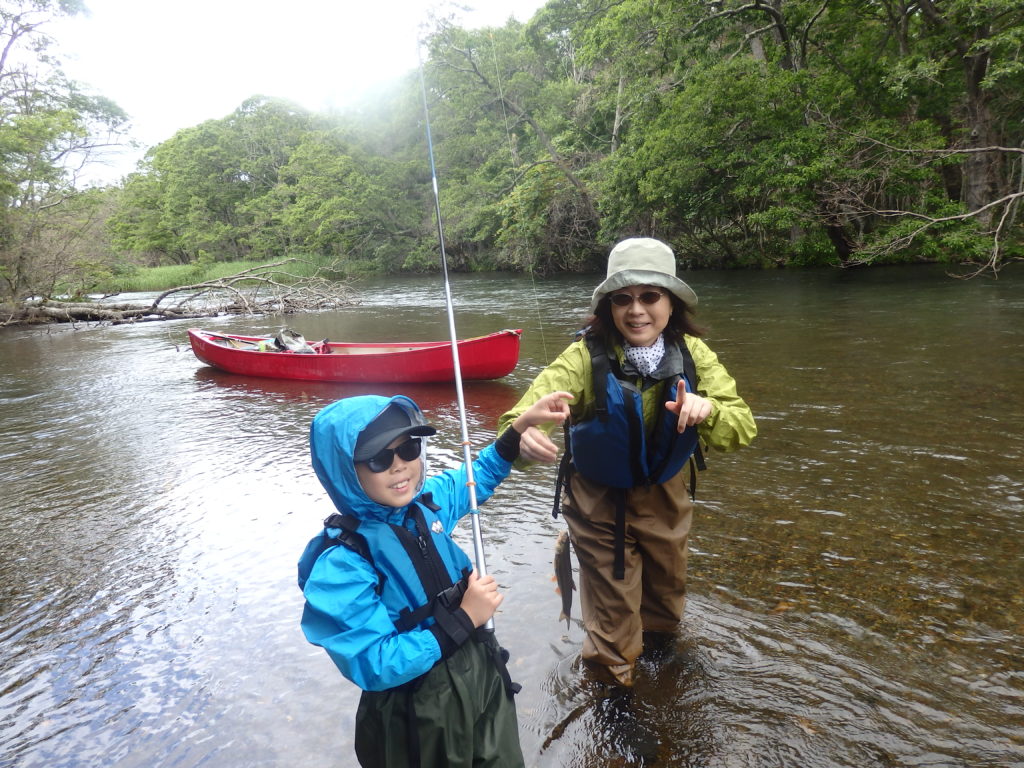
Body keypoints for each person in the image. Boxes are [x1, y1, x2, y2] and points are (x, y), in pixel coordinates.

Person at [497, 237, 757, 691]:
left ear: (672, 304)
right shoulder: (582, 358)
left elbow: (743, 427)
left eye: (649, 297)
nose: (636, 310)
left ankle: (663, 676)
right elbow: (517, 418)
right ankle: (614, 699)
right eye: (623, 299)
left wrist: (708, 411)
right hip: (599, 503)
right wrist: (524, 435)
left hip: (666, 494)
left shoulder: (696, 356)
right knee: (615, 616)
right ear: (608, 308)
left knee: (666, 601)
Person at [298, 391, 570, 768]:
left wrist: (518, 429)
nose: (400, 466)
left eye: (408, 449)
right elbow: (372, 663)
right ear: (346, 470)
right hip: (417, 709)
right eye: (378, 458)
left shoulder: (428, 502)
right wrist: (462, 620)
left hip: (481, 675)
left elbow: (479, 476)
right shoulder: (343, 566)